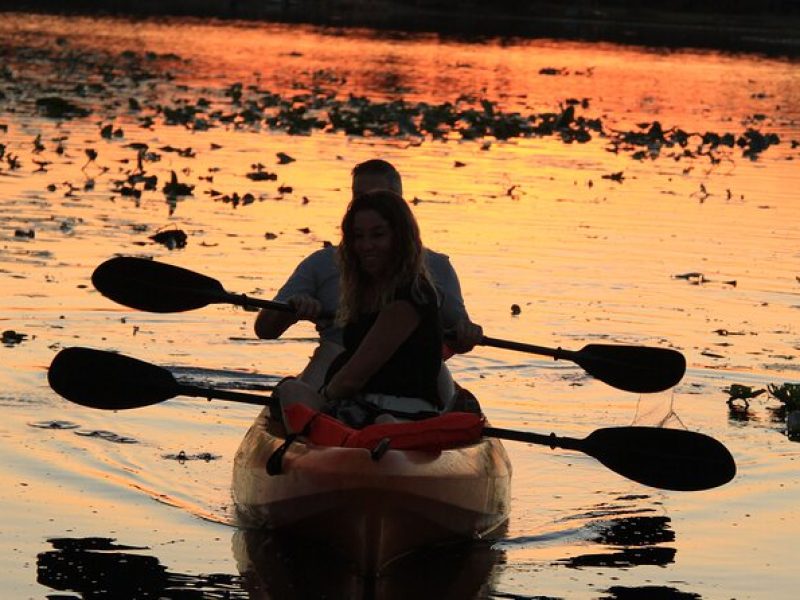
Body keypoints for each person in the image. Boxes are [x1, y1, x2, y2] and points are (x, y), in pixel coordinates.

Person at [254, 159, 482, 392]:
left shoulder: (438, 267)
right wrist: (291, 310)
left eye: (379, 196)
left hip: (412, 367)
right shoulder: (322, 263)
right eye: (360, 196)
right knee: (292, 395)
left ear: (400, 204)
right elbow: (265, 330)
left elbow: (459, 334)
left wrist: (466, 334)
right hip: (337, 354)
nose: (369, 204)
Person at [277, 190, 444, 429]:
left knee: (291, 390)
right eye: (358, 236)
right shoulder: (368, 292)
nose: (366, 246)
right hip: (364, 407)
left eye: (378, 235)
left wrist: (323, 396)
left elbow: (353, 379)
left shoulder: (408, 295)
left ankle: (364, 436)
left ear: (401, 237)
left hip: (400, 410)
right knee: (292, 389)